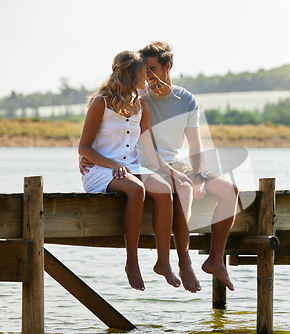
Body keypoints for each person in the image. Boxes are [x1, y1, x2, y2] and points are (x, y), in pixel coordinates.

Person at [78, 50, 200, 293]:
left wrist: (172, 172)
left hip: (131, 168)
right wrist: (111, 164)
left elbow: (149, 151)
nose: (148, 78)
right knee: (136, 189)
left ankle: (163, 262)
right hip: (101, 169)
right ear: (132, 75)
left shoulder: (141, 105)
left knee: (165, 189)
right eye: (144, 73)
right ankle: (131, 262)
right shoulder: (100, 103)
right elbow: (84, 148)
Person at [136, 42, 239, 291]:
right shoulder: (139, 97)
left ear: (167, 67)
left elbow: (195, 146)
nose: (147, 76)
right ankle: (184, 262)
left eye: (152, 69)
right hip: (149, 165)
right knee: (185, 191)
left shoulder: (186, 100)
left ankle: (215, 260)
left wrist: (200, 175)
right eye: (144, 70)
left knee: (230, 191)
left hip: (177, 163)